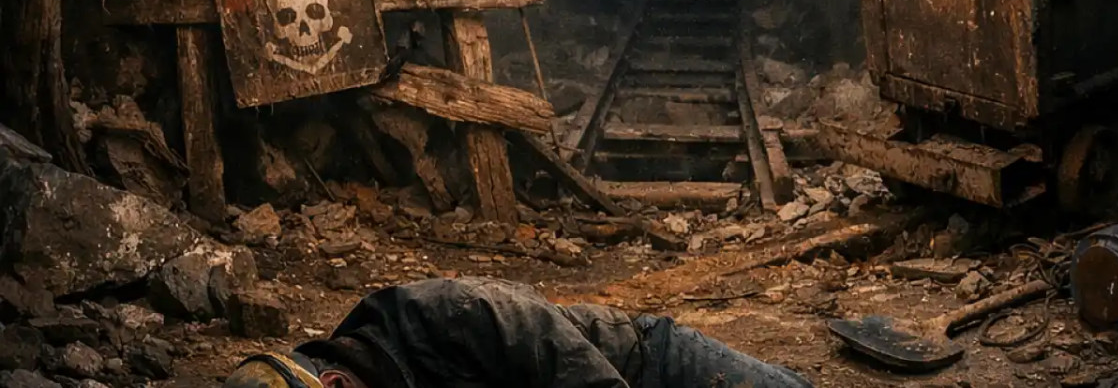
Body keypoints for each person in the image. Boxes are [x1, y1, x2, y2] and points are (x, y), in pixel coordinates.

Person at [224, 277, 814, 388]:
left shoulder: (453, 312)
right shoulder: (378, 376)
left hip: (649, 363)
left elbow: (591, 381)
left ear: (334, 384)